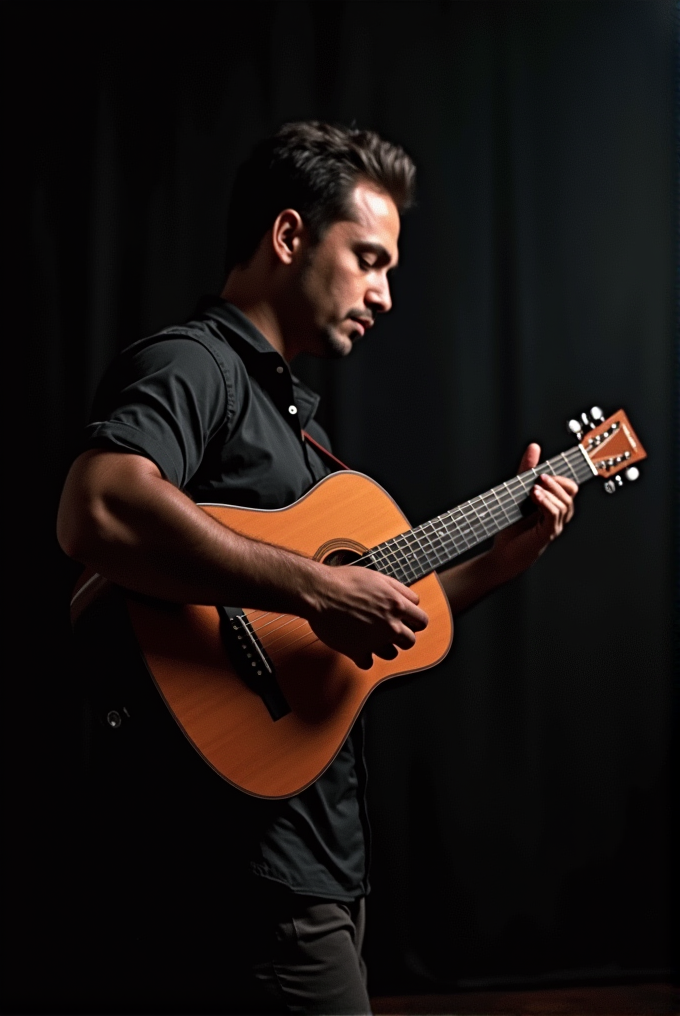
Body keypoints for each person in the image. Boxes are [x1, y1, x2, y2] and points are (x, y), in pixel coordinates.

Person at [57, 122, 578, 1015]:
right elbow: (97, 505)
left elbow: (374, 625)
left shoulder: (301, 440)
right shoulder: (196, 365)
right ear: (290, 236)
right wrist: (312, 583)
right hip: (246, 868)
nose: (383, 293)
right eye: (369, 259)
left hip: (316, 863)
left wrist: (499, 561)